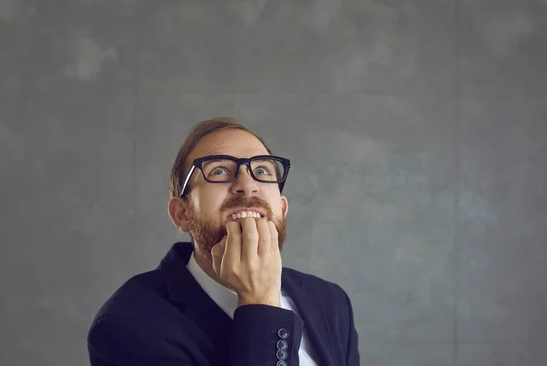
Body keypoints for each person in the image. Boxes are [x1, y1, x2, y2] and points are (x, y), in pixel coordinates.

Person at [87, 117, 361, 366]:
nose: (248, 184)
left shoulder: (329, 301)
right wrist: (259, 301)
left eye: (263, 171)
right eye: (218, 170)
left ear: (282, 207)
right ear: (182, 215)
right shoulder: (128, 327)